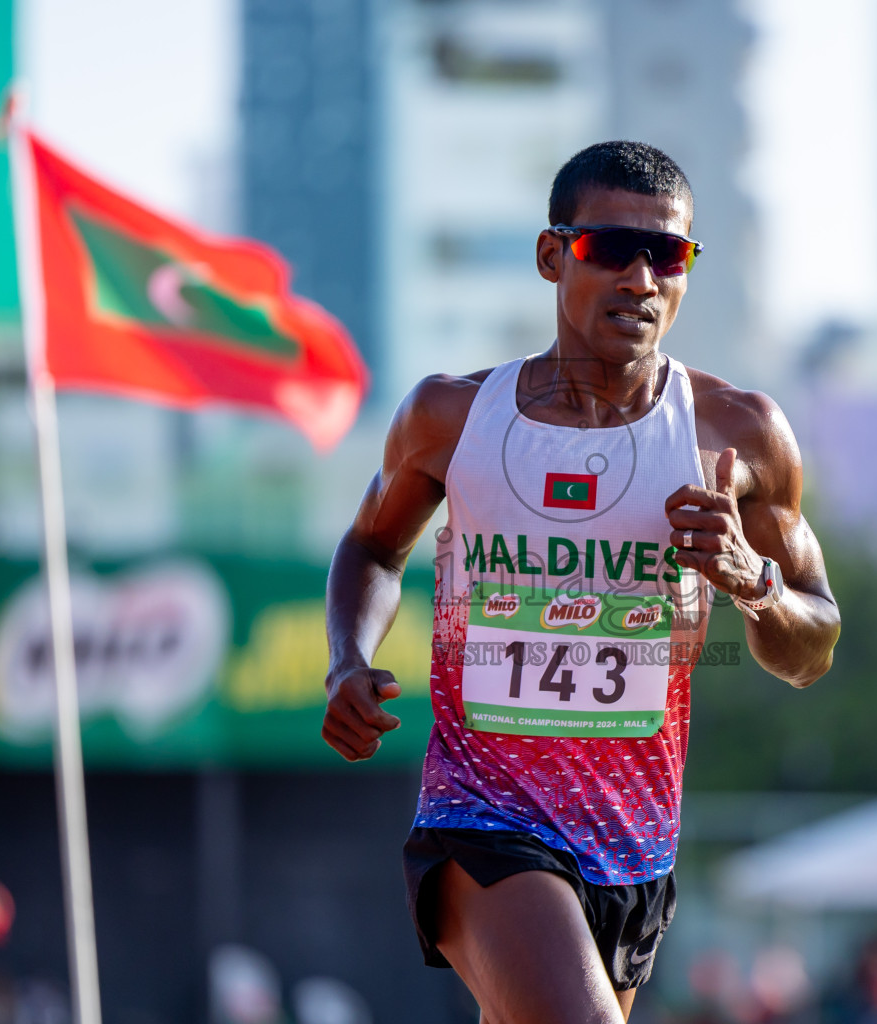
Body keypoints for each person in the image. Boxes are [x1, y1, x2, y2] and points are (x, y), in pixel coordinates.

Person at [321, 141, 840, 1024]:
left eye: (667, 255)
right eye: (611, 248)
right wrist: (346, 659)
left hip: (634, 849)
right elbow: (373, 547)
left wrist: (749, 580)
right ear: (553, 254)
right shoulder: (453, 417)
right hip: (483, 822)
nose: (641, 277)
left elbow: (813, 646)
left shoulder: (738, 434)